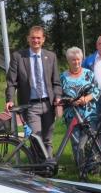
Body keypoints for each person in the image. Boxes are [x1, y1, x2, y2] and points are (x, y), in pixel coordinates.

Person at [5, 26, 62, 158]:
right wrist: (10, 99)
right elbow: (11, 82)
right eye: (33, 38)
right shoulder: (18, 57)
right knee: (36, 139)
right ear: (28, 39)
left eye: (38, 38)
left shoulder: (51, 56)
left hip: (48, 105)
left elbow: (56, 82)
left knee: (48, 140)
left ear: (43, 39)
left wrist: (58, 96)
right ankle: (37, 167)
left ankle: (48, 166)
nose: (35, 40)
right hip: (30, 106)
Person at [60, 47, 100, 167]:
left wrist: (86, 99)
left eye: (78, 59)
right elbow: (59, 95)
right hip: (71, 114)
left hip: (89, 113)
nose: (76, 62)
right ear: (68, 61)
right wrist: (70, 101)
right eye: (73, 60)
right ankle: (81, 167)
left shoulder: (89, 74)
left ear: (81, 60)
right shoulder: (63, 77)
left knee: (90, 140)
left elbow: (97, 90)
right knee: (76, 141)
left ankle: (93, 166)